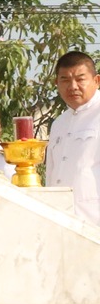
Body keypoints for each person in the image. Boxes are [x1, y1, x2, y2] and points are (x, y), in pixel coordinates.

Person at [45, 50, 100, 223]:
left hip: (93, 219)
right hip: (62, 219)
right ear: (56, 83)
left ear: (96, 81)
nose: (73, 86)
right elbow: (51, 173)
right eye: (65, 80)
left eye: (80, 79)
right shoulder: (59, 123)